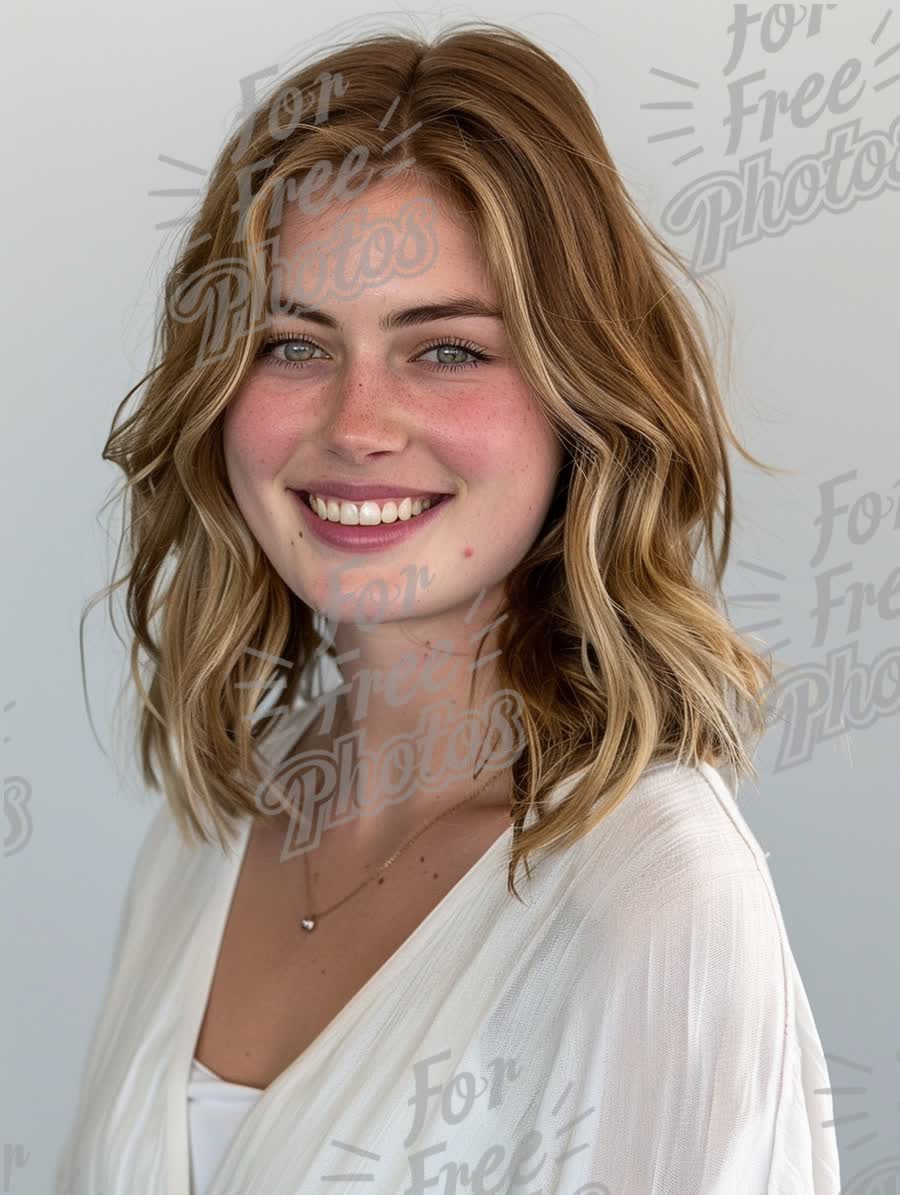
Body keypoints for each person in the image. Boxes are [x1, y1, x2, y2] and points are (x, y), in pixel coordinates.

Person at [56, 21, 842, 1195]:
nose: (357, 424)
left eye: (447, 351)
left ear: (584, 398)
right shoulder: (207, 830)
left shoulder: (658, 894)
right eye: (292, 344)